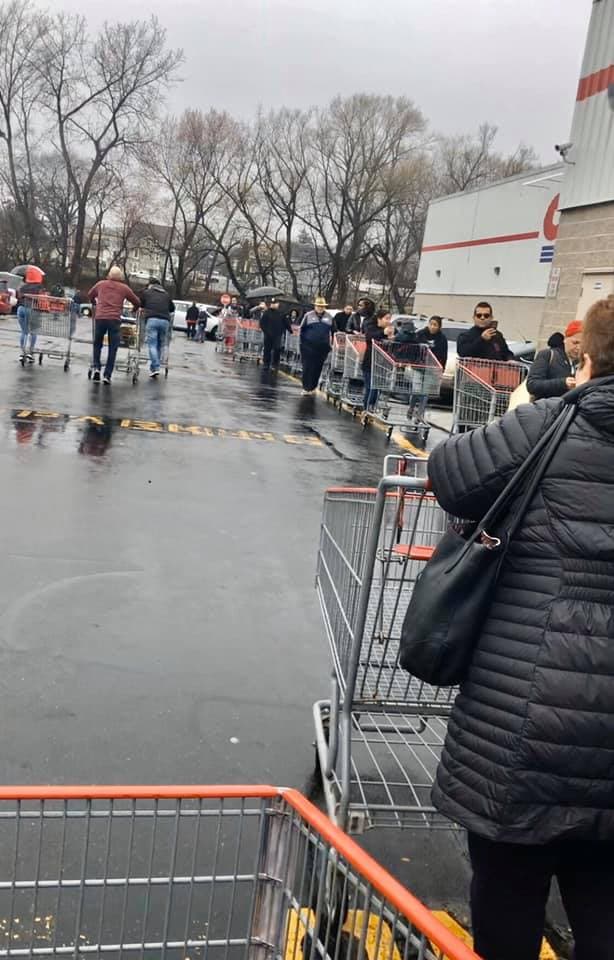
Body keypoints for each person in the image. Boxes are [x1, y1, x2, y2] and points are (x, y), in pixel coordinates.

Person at [426, 295, 614, 960]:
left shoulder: (550, 424)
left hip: (520, 724)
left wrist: (558, 399)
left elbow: (448, 473)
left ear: (587, 359)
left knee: (507, 893)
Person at [88, 266, 140, 383]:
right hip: (114, 320)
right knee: (113, 348)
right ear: (120, 277)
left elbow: (90, 294)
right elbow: (137, 301)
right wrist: (134, 309)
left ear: (109, 275)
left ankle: (96, 367)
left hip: (100, 317)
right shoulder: (124, 288)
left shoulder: (100, 284)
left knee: (97, 344)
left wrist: (94, 303)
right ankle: (107, 375)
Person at [527, 320, 582, 399]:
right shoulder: (547, 355)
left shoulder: (583, 363)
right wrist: (563, 383)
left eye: (583, 344)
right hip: (545, 408)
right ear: (565, 339)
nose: (578, 348)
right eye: (575, 342)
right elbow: (532, 385)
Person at [140, 278, 175, 378]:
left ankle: (155, 367)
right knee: (160, 344)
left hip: (152, 320)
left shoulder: (147, 293)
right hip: (165, 321)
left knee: (152, 345)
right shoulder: (166, 294)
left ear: (151, 285)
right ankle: (154, 367)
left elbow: (141, 304)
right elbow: (172, 308)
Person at [300, 296, 333, 395]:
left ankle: (313, 386)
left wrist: (330, 345)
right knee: (307, 367)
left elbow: (334, 330)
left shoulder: (329, 317)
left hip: (322, 348)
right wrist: (303, 343)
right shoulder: (308, 315)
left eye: (322, 306)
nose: (320, 308)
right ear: (315, 306)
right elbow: (302, 329)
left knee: (317, 368)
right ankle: (306, 387)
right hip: (308, 347)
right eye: (318, 306)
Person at [362, 308, 391, 411]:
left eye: (389, 319)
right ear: (379, 319)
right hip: (369, 362)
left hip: (381, 364)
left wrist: (392, 338)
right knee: (370, 387)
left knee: (377, 387)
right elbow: (370, 337)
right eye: (386, 318)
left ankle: (372, 407)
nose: (388, 321)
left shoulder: (388, 330)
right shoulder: (371, 327)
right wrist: (383, 332)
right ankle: (366, 408)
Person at [16, 265, 45, 363]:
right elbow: (42, 299)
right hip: (32, 310)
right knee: (33, 332)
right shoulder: (39, 287)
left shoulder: (22, 286)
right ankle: (30, 353)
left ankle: (22, 353)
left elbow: (19, 296)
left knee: (24, 332)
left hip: (21, 309)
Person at [259, 298, 291, 369]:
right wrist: (266, 331)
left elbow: (286, 322)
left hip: (277, 335)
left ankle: (275, 364)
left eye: (275, 303)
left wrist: (290, 330)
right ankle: (266, 364)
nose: (273, 305)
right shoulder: (267, 313)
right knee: (267, 349)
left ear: (278, 304)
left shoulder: (281, 313)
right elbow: (262, 323)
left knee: (277, 349)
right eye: (272, 304)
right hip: (268, 335)